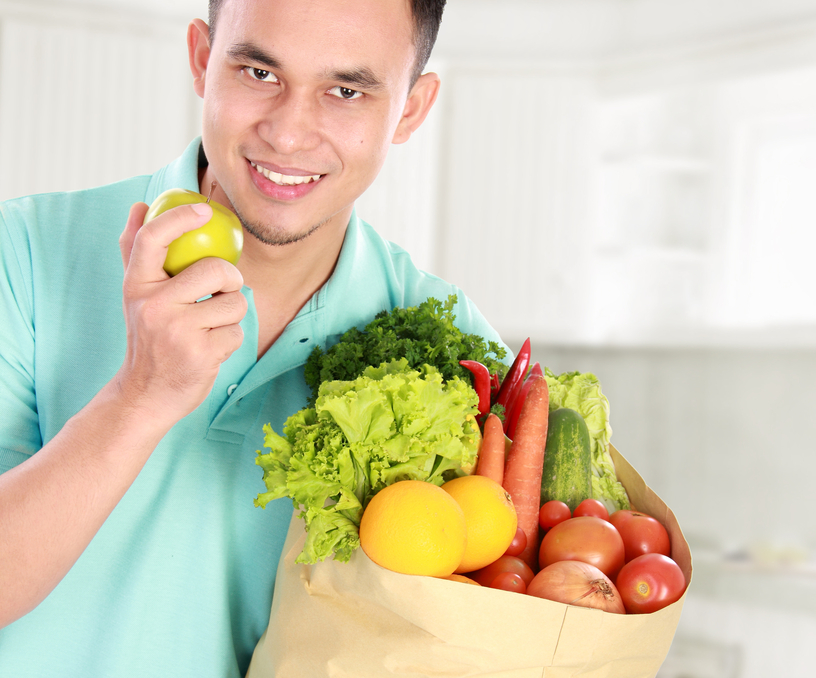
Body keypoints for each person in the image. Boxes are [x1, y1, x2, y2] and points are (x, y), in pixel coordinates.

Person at [0, 0, 504, 675]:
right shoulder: (26, 251)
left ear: (411, 109)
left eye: (346, 91)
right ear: (204, 61)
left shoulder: (455, 347)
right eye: (260, 73)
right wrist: (138, 397)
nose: (290, 134)